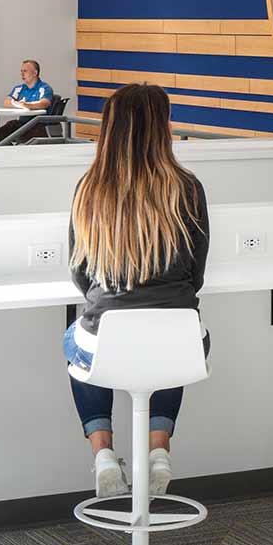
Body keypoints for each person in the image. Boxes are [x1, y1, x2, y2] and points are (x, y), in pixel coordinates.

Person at [62, 83, 209, 500]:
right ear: (161, 128)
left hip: (107, 331)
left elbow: (80, 272)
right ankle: (158, 450)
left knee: (77, 343)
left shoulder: (89, 189)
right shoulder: (187, 188)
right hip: (178, 335)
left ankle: (103, 453)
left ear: (110, 128)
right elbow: (196, 272)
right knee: (168, 340)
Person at [0, 57, 62, 141]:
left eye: (25, 71)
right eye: (21, 71)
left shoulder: (45, 88)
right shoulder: (19, 88)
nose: (22, 74)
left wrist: (27, 105)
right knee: (1, 133)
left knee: (25, 135)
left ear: (35, 73)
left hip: (38, 124)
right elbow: (6, 102)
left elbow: (44, 103)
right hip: (22, 123)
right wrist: (18, 105)